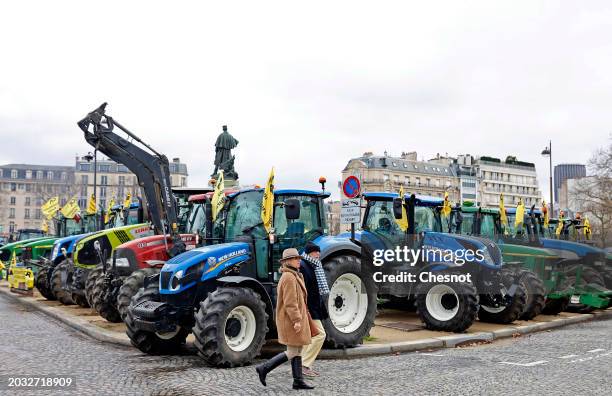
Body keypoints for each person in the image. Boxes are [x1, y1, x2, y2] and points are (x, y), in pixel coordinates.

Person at [255, 248, 314, 390]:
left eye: (299, 258)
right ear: (287, 261)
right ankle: (264, 368)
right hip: (291, 321)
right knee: (293, 351)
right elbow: (290, 303)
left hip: (294, 320)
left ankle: (298, 381)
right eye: (295, 258)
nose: (299, 260)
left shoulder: (294, 275)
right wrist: (297, 321)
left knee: (298, 349)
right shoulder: (288, 277)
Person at [299, 242, 329, 378]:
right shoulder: (305, 267)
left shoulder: (313, 265)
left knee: (311, 337)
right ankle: (304, 365)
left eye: (318, 252)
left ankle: (303, 366)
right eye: (315, 252)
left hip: (312, 307)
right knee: (320, 335)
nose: (318, 254)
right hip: (309, 308)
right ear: (309, 253)